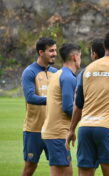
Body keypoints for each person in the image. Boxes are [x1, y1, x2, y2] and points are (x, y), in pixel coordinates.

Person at [65, 29, 109, 176]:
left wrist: (71, 130)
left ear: (104, 47)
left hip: (86, 128)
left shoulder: (86, 71)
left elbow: (78, 105)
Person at [41, 43, 81, 176]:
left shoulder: (58, 74)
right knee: (66, 173)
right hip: (58, 133)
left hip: (53, 131)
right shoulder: (68, 78)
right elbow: (68, 108)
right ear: (75, 57)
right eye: (80, 56)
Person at [21, 37, 57, 176]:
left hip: (54, 129)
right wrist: (53, 100)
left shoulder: (56, 72)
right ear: (41, 52)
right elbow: (30, 97)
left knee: (62, 166)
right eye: (51, 51)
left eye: (55, 50)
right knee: (30, 167)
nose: (54, 53)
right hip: (34, 128)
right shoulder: (29, 72)